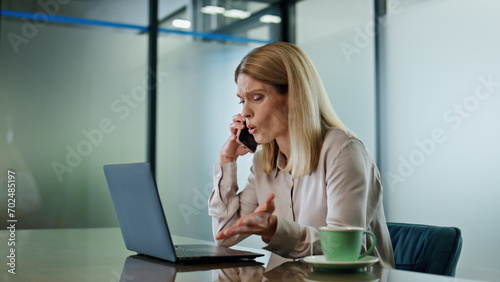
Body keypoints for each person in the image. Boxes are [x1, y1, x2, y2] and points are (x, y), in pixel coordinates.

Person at [208, 42, 395, 268]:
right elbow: (225, 236)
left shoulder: (343, 149)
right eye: (242, 100)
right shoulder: (263, 163)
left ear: (294, 96)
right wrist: (227, 162)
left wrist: (276, 230)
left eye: (256, 98)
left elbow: (343, 250)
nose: (245, 112)